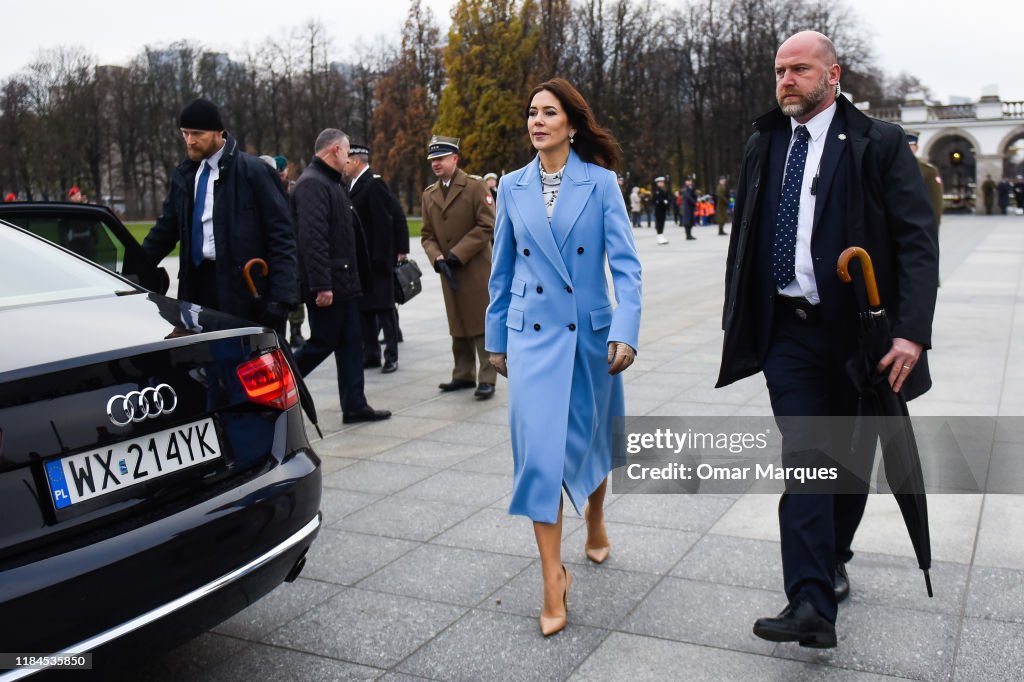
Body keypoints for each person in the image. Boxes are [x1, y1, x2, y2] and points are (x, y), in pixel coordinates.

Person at [717, 31, 938, 648]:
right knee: (809, 454)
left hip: (860, 337)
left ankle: (834, 554)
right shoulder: (765, 142)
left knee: (851, 465)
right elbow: (750, 236)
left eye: (800, 69)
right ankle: (810, 600)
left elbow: (918, 243)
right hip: (788, 331)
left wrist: (911, 334)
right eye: (780, 70)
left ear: (832, 74)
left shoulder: (878, 143)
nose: (787, 79)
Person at [485, 78, 642, 637]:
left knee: (592, 438)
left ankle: (595, 516)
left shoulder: (600, 184)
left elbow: (626, 266)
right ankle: (553, 579)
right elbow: (501, 268)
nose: (537, 121)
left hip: (588, 337)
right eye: (532, 113)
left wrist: (625, 329)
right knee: (539, 457)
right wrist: (495, 336)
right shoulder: (510, 186)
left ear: (572, 124)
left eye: (549, 113)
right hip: (530, 337)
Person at [142, 98, 297, 333]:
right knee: (200, 364)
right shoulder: (184, 175)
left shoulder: (254, 172)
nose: (190, 141)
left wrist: (281, 298)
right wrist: (132, 270)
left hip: (243, 291)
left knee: (242, 363)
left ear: (218, 132)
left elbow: (282, 237)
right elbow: (165, 230)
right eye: (185, 133)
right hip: (195, 286)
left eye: (197, 134)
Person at [289, 128, 391, 424]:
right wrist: (322, 285)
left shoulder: (331, 183)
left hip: (343, 282)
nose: (349, 160)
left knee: (350, 343)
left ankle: (355, 404)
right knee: (322, 342)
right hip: (329, 285)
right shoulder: (312, 184)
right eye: (347, 153)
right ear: (334, 150)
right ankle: (273, 385)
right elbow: (313, 239)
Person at [421, 135, 498, 399]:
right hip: (449, 269)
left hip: (475, 266)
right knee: (458, 321)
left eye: (441, 159)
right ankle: (463, 373)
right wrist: (437, 257)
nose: (436, 164)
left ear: (455, 159)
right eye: (433, 160)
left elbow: (488, 224)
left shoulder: (475, 187)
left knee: (480, 321)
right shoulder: (429, 195)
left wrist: (458, 253)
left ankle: (488, 377)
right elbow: (427, 235)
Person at [346, 142, 409, 374]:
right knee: (365, 310)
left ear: (356, 161)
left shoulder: (373, 184)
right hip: (360, 262)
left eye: (347, 159)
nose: (344, 164)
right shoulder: (350, 185)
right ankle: (371, 353)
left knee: (384, 309)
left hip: (376, 261)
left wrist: (384, 259)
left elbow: (385, 223)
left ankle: (391, 355)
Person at [906, 130, 943, 230]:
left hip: (918, 222)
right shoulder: (887, 167)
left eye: (911, 145)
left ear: (916, 148)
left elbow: (936, 201)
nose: (907, 148)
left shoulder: (928, 170)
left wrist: (934, 226)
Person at [652, 176, 671, 245]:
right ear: (657, 183)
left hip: (663, 209)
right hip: (658, 210)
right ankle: (659, 236)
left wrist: (666, 202)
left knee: (662, 223)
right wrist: (663, 201)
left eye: (662, 182)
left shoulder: (663, 190)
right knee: (659, 223)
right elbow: (655, 200)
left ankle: (661, 236)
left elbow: (667, 197)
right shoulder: (657, 191)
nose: (662, 183)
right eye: (660, 182)